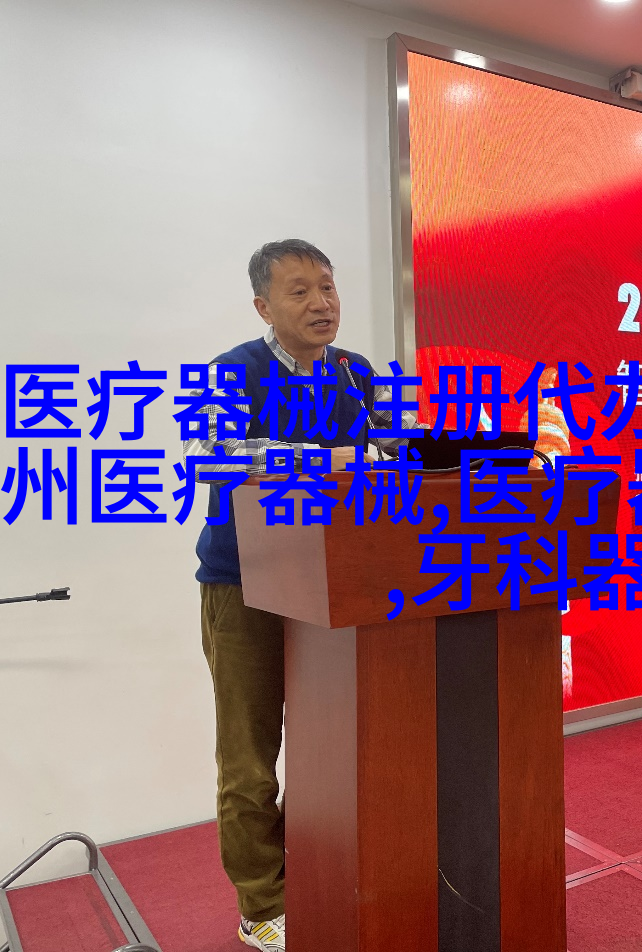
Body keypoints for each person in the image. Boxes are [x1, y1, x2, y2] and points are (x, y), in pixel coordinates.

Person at [185, 238, 401, 951]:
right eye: (300, 291)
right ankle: (262, 907)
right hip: (243, 586)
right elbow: (209, 454)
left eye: (328, 288)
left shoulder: (358, 372)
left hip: (336, 587)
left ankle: (330, 878)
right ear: (263, 306)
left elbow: (396, 449)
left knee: (333, 749)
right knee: (250, 761)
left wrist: (476, 450)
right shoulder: (231, 371)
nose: (321, 303)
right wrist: (325, 457)